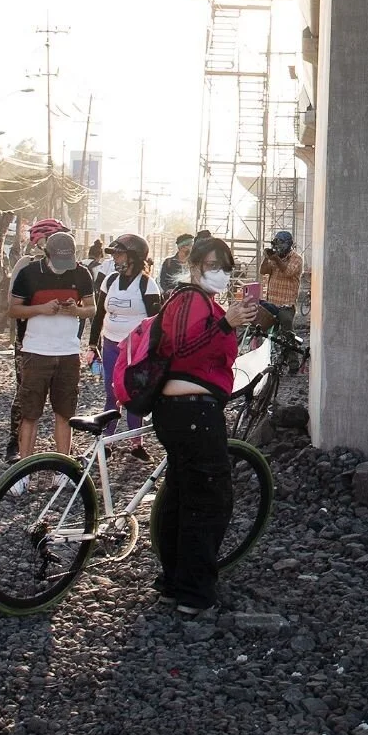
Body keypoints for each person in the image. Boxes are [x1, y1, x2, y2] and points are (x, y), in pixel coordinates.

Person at [150, 235, 260, 616]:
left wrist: (230, 322)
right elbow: (182, 349)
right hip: (192, 412)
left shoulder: (200, 303)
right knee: (209, 501)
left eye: (227, 268)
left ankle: (173, 584)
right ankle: (195, 595)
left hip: (183, 411)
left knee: (182, 495)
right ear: (194, 266)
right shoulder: (189, 299)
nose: (221, 274)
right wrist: (226, 324)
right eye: (214, 266)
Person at [8, 225, 95, 471]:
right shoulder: (29, 273)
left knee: (65, 412)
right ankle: (23, 470)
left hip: (68, 351)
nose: (64, 266)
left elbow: (92, 308)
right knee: (30, 412)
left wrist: (75, 310)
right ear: (47, 254)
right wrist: (41, 308)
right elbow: (13, 309)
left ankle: (63, 469)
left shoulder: (81, 273)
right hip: (36, 351)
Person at [87, 232, 163, 446]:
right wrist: (93, 345)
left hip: (136, 350)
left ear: (133, 257)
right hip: (111, 344)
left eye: (119, 255)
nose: (115, 259)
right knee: (111, 393)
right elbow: (99, 315)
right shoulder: (109, 281)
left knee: (133, 394)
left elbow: (157, 323)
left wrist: (154, 354)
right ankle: (107, 441)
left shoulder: (147, 285)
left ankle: (135, 442)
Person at [257, 229, 306, 330]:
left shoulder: (296, 259)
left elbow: (288, 272)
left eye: (280, 244)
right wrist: (266, 258)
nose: (277, 247)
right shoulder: (274, 258)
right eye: (276, 244)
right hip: (271, 303)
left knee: (286, 333)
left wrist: (276, 259)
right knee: (263, 330)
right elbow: (263, 271)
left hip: (286, 306)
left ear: (288, 245)